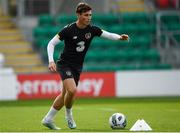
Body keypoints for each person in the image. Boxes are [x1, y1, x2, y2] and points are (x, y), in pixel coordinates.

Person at [41, 2, 129, 130]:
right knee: (72, 90)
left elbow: (108, 35)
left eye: (90, 15)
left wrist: (119, 37)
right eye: (86, 15)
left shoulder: (92, 30)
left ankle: (48, 119)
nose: (89, 17)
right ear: (78, 15)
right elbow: (51, 44)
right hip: (64, 64)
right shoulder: (69, 29)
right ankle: (69, 116)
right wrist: (51, 61)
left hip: (77, 67)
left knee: (65, 93)